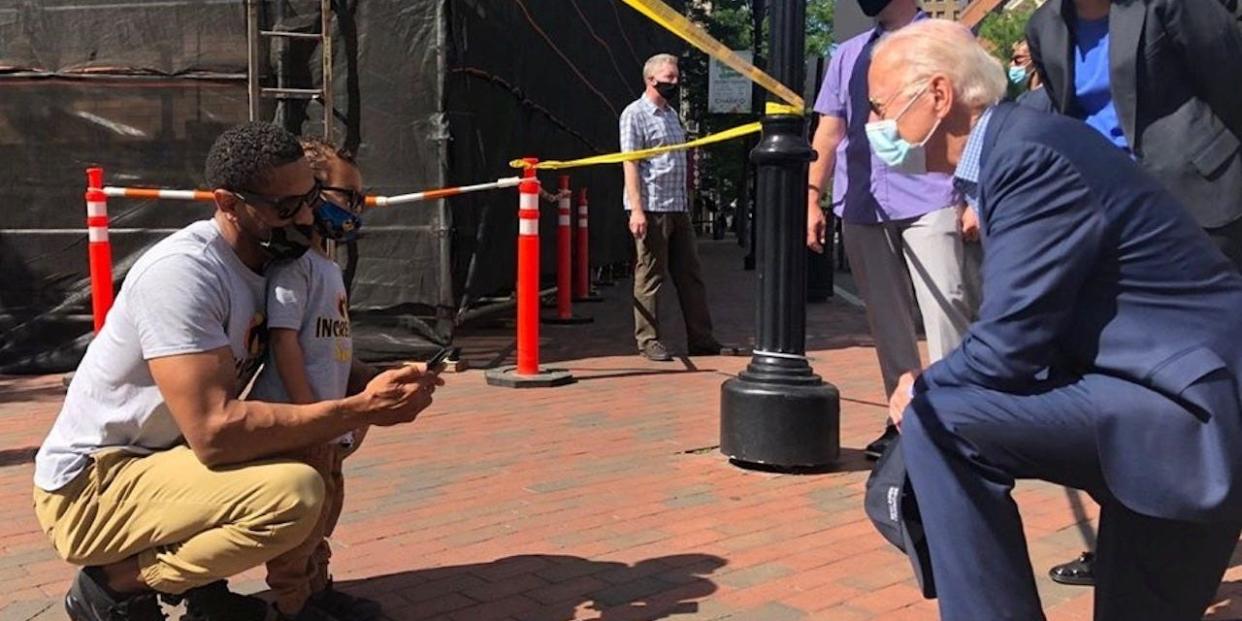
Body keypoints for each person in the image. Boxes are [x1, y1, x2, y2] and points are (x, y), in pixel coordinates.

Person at [870, 19, 1242, 620]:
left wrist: (921, 385)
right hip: (1150, 408)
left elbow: (1008, 347)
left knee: (941, 416)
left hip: (1188, 417)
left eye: (879, 106)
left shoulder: (1029, 156)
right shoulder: (1022, 146)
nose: (875, 126)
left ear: (938, 95)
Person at [33, 122, 442, 621]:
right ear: (228, 202)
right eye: (286, 207)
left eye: (311, 197)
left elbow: (308, 354)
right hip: (92, 486)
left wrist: (381, 378)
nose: (307, 215)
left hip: (161, 462)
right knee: (293, 493)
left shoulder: (269, 263)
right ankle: (115, 584)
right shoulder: (185, 273)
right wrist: (355, 410)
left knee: (291, 458)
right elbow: (214, 434)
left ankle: (207, 592)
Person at [1026, 0, 1242, 584]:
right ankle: (1130, 542)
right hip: (1102, 224)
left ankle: (1202, 532)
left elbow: (1233, 79)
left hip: (1196, 209)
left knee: (1206, 378)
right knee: (1116, 380)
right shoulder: (1045, 26)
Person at [806, 0, 981, 459]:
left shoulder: (951, 41)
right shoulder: (847, 54)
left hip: (933, 197)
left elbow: (978, 119)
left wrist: (976, 197)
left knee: (948, 310)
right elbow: (829, 131)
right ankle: (903, 423)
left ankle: (959, 422)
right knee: (888, 323)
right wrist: (811, 197)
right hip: (862, 204)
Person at [249, 137, 379, 621]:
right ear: (311, 193)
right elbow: (285, 344)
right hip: (305, 422)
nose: (356, 211)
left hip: (329, 425)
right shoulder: (293, 268)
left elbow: (330, 347)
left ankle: (317, 587)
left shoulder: (327, 267)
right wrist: (312, 415)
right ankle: (292, 604)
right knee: (299, 526)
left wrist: (366, 384)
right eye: (350, 198)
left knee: (326, 510)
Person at [620, 53, 725, 362]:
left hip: (678, 207)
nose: (675, 82)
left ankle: (701, 338)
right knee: (650, 274)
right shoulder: (635, 114)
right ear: (651, 79)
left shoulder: (671, 115)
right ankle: (648, 340)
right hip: (652, 208)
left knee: (690, 274)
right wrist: (637, 210)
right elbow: (630, 164)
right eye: (670, 78)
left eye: (676, 77)